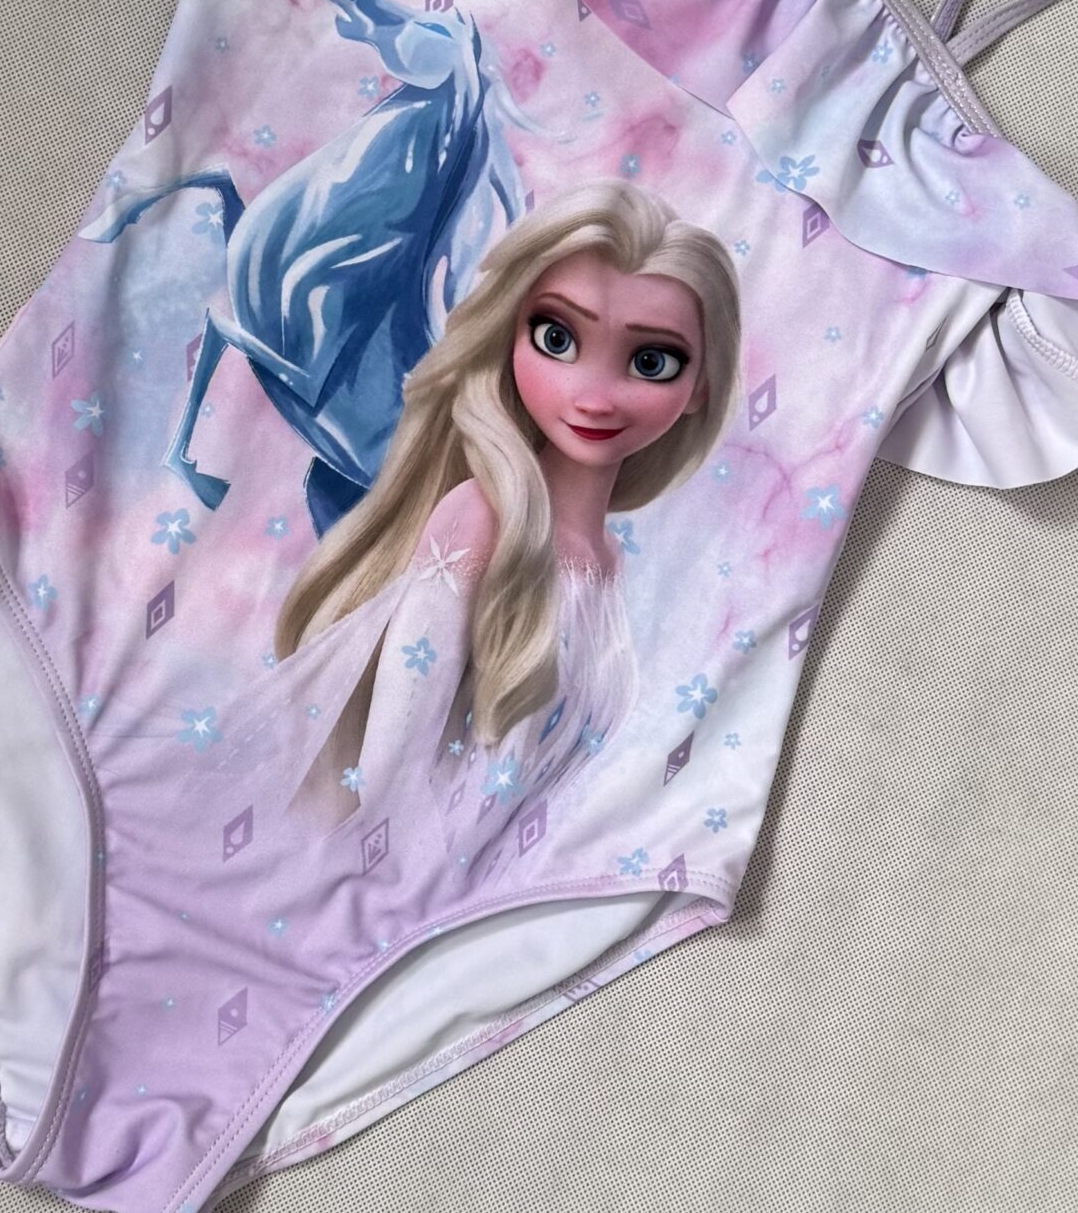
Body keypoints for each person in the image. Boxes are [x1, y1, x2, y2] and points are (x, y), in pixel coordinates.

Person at [207, 177, 741, 856]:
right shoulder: (480, 520)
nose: (595, 397)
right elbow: (387, 778)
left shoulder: (607, 561)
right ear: (509, 331)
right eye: (556, 338)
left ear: (700, 388)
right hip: (404, 875)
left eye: (651, 361)